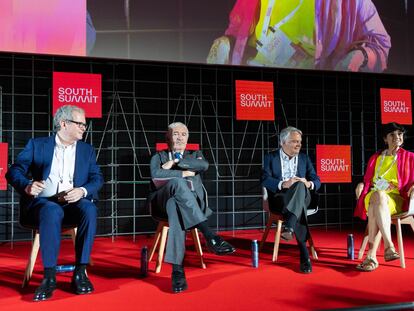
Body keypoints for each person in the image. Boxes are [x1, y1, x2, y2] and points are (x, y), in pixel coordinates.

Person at [6, 105, 103, 301]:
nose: (85, 127)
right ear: (63, 123)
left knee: (89, 208)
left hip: (71, 203)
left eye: (85, 124)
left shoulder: (87, 150)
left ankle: (80, 272)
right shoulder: (37, 144)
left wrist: (82, 191)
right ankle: (49, 277)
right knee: (51, 210)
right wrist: (27, 185)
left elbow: (97, 178)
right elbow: (14, 171)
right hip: (41, 205)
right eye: (80, 123)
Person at [147, 122, 235, 293]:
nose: (180, 137)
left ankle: (177, 271)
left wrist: (174, 164)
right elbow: (156, 174)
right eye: (175, 134)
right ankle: (210, 235)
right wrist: (182, 172)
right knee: (178, 184)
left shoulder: (196, 155)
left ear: (188, 138)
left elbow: (203, 166)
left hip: (188, 204)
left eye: (183, 134)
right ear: (168, 137)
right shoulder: (158, 157)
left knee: (176, 206)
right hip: (161, 202)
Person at [207, 0, 391, 72]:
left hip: (305, 88)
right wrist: (225, 43)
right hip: (258, 79)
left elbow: (380, 44)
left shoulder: (353, 2)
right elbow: (237, 34)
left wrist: (359, 57)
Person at [354, 122, 414, 271]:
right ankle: (389, 246)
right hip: (374, 194)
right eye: (392, 135)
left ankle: (372, 256)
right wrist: (361, 185)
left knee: (377, 205)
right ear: (385, 139)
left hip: (397, 199)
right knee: (378, 196)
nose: (397, 138)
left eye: (399, 134)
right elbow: (368, 179)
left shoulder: (410, 157)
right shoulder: (376, 158)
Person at [261, 126, 321, 273]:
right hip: (280, 198)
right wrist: (283, 184)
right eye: (294, 141)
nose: (299, 144)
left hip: (304, 195)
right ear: (283, 142)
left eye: (300, 141)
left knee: (300, 185)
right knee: (298, 207)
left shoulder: (304, 158)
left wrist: (309, 183)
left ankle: (289, 227)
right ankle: (303, 253)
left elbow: (317, 180)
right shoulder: (270, 157)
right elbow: (264, 179)